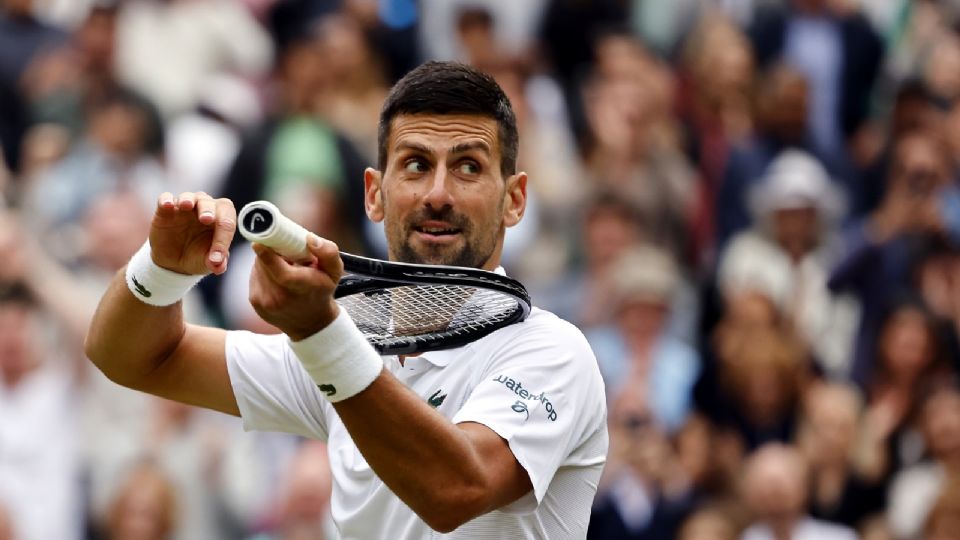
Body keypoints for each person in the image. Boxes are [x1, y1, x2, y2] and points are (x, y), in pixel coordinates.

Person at [85, 61, 609, 539]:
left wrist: (319, 334)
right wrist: (162, 268)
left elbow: (456, 491)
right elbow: (129, 356)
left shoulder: (554, 351)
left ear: (514, 199)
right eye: (415, 164)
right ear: (374, 194)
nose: (438, 194)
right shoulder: (340, 353)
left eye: (469, 166)